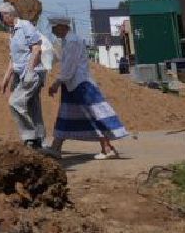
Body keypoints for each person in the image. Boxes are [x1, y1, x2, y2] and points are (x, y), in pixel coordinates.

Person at [47, 16, 128, 159]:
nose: (53, 31)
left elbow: (69, 67)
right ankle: (56, 147)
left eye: (54, 28)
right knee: (66, 116)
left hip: (80, 85)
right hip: (72, 85)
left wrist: (56, 83)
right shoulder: (67, 41)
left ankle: (107, 148)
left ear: (62, 26)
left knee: (93, 116)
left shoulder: (72, 41)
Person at [0, 1, 47, 149]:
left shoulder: (25, 26)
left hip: (32, 73)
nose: (0, 20)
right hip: (20, 75)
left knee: (15, 102)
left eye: (1, 16)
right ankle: (41, 143)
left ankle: (30, 137)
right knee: (33, 108)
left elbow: (37, 49)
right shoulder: (12, 32)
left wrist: (30, 71)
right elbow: (14, 58)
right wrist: (6, 78)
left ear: (9, 14)